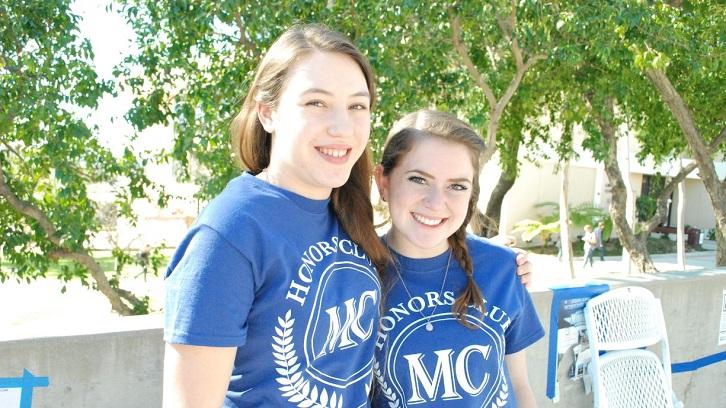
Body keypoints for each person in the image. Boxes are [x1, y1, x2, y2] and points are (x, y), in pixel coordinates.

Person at [162, 25, 532, 408]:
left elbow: (425, 238)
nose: (341, 127)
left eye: (357, 106)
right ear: (268, 113)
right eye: (316, 103)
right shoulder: (230, 235)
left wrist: (502, 263)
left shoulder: (345, 210)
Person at [372, 110, 544, 407]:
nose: (437, 202)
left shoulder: (503, 269)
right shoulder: (355, 275)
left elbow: (519, 383)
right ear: (383, 183)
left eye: (457, 186)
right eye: (418, 179)